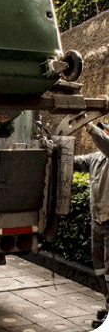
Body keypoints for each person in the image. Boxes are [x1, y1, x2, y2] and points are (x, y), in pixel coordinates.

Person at [74, 122, 109, 329]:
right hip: (97, 221)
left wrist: (87, 125)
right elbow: (75, 161)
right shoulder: (95, 159)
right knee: (99, 268)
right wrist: (53, 148)